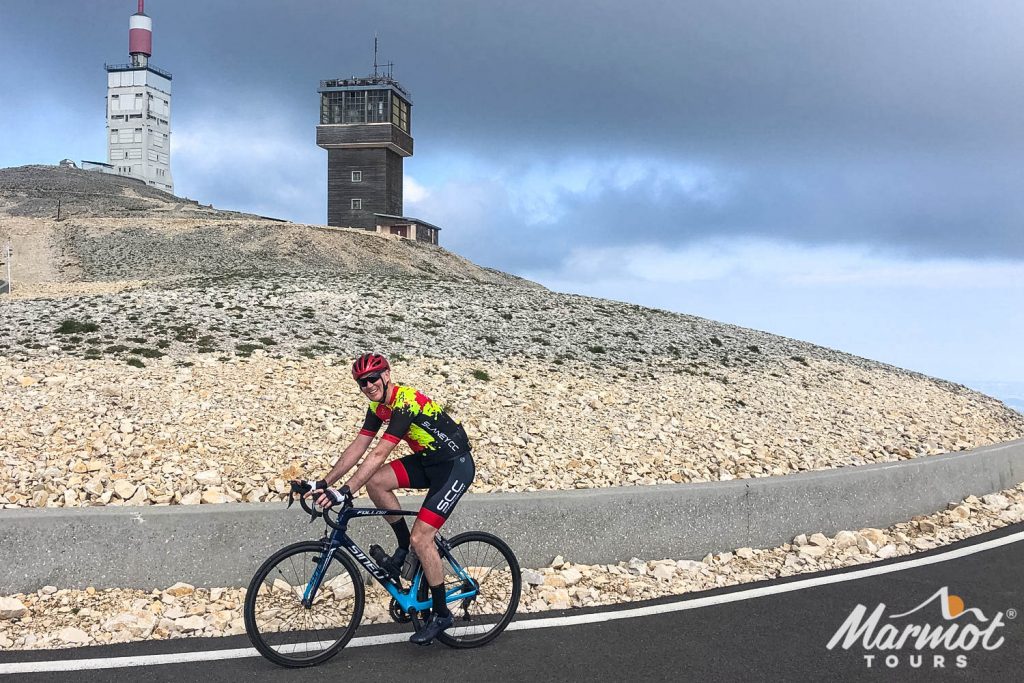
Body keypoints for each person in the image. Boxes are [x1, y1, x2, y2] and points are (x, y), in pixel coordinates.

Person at [294, 352, 474, 645]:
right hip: (428, 462)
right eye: (361, 382)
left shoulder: (405, 401)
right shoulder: (378, 407)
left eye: (372, 378)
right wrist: (324, 482)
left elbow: (379, 453)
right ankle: (403, 550)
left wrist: (344, 491)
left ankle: (441, 614)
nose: (367, 385)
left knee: (423, 538)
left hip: (454, 466)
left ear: (386, 376)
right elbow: (359, 445)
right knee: (377, 483)